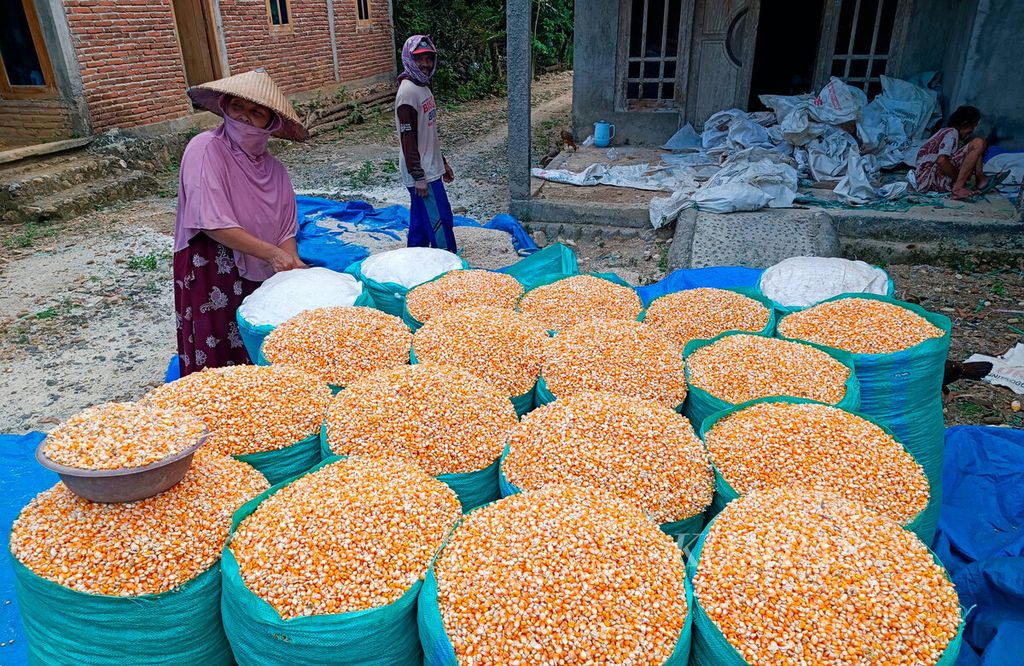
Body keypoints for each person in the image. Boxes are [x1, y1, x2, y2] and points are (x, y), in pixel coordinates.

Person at [173, 69, 308, 377]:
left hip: (261, 265)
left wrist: (294, 266)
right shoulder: (205, 148)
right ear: (224, 107)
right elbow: (210, 221)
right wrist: (273, 255)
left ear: (270, 122)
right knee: (219, 351)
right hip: (212, 264)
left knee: (259, 340)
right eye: (238, 108)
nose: (245, 118)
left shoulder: (276, 171)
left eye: (256, 112)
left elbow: (285, 228)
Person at [394, 35, 457, 252]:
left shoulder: (423, 86)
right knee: (441, 221)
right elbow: (408, 138)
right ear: (408, 58)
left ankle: (415, 262)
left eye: (429, 59)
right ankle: (449, 268)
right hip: (422, 173)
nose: (425, 64)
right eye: (419, 59)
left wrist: (443, 162)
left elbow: (429, 133)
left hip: (430, 167)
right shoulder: (408, 93)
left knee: (421, 223)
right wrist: (418, 176)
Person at [914, 106, 990, 199]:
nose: (973, 130)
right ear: (964, 123)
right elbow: (941, 160)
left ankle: (980, 179)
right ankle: (958, 189)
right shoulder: (952, 132)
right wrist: (958, 179)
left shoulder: (945, 132)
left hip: (925, 179)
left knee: (976, 148)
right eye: (973, 126)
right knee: (978, 143)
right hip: (930, 177)